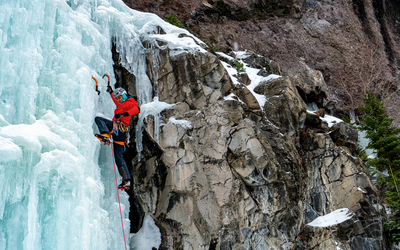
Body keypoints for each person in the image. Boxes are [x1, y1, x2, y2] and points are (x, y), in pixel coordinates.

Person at [95, 86, 139, 190]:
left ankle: (105, 134)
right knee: (119, 157)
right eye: (117, 98)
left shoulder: (130, 102)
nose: (118, 100)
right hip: (121, 135)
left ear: (124, 95)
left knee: (99, 119)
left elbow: (136, 110)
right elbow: (117, 103)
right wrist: (111, 93)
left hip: (119, 129)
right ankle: (126, 180)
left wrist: (124, 114)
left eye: (119, 97)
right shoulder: (121, 104)